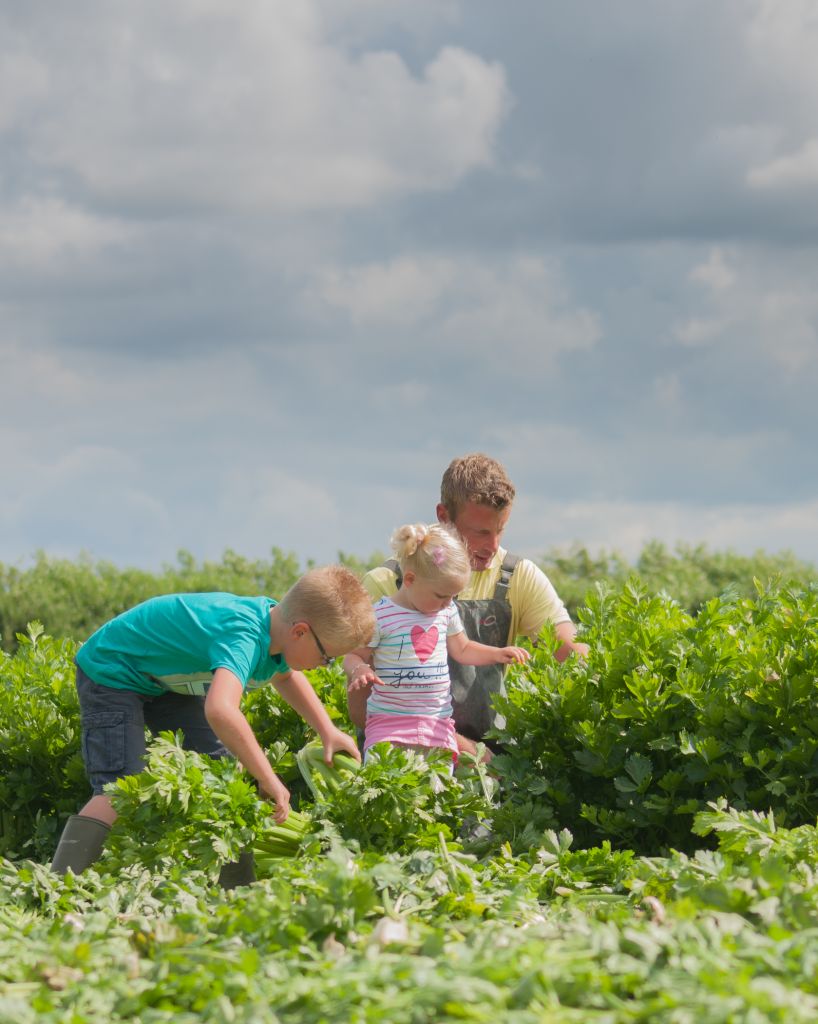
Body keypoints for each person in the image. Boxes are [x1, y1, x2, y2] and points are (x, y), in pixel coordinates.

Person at [51, 564, 375, 884]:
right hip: (113, 670)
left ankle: (235, 888)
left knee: (222, 777)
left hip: (162, 681)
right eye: (327, 657)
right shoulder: (244, 635)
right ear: (300, 631)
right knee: (121, 786)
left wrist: (328, 730)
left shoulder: (277, 632)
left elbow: (286, 677)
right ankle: (58, 886)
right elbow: (220, 709)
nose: (323, 666)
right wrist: (268, 777)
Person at [345, 454, 588, 758]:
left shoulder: (517, 577)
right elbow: (360, 710)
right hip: (402, 751)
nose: (494, 546)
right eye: (481, 532)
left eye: (500, 530)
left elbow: (570, 650)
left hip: (492, 756)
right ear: (444, 515)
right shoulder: (386, 583)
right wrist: (459, 747)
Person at [345, 523, 529, 761]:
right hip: (389, 726)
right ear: (410, 579)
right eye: (441, 596)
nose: (447, 603)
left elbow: (463, 648)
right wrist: (359, 668)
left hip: (437, 724)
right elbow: (352, 656)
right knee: (388, 783)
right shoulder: (380, 616)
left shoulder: (445, 612)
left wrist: (497, 653)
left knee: (439, 789)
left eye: (452, 596)